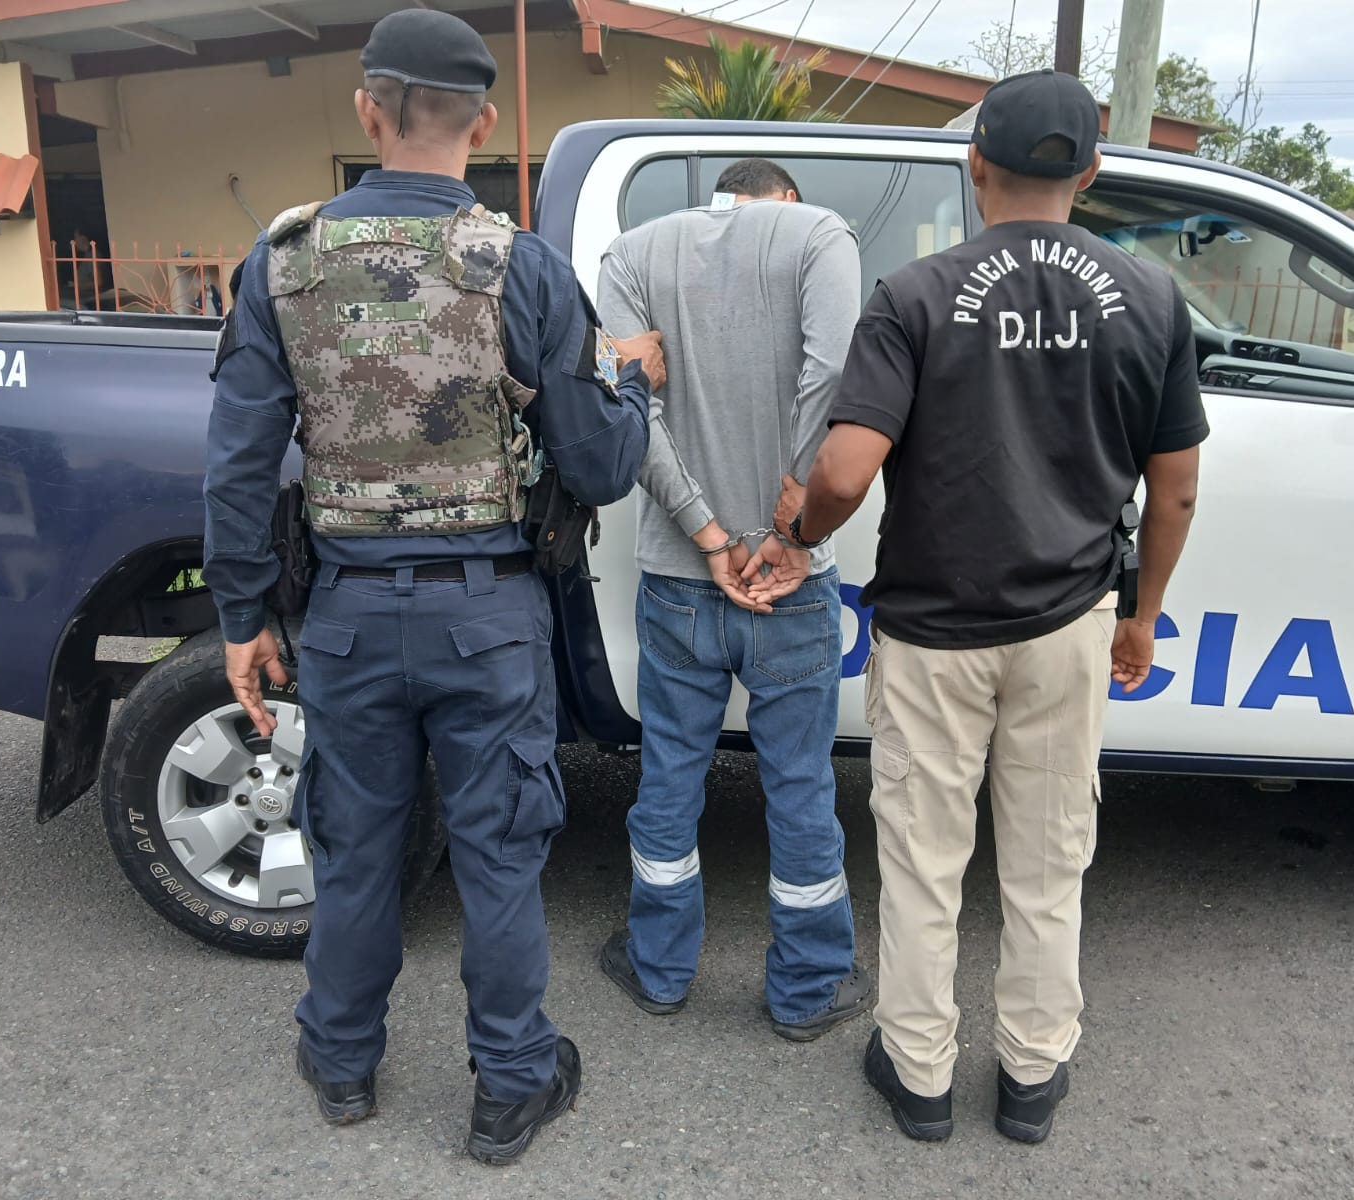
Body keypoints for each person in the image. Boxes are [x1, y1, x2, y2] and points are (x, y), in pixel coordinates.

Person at [201, 8, 664, 1166]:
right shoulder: (522, 266)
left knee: (354, 849)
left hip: (348, 619)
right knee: (500, 856)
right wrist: (635, 393)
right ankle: (510, 1086)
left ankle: (340, 1063)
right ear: (486, 121)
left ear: (368, 110)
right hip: (488, 617)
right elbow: (602, 465)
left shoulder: (285, 260)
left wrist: (241, 618)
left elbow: (238, 465)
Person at [793, 70, 1207, 1143]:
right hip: (1068, 622)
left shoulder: (914, 293)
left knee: (923, 864)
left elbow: (843, 471)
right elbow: (1175, 489)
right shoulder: (1152, 298)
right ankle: (1030, 1076)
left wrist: (795, 536)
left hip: (933, 631)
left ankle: (919, 1076)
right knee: (1047, 861)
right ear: (1091, 171)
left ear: (974, 163)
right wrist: (1142, 614)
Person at [595, 158, 871, 1040]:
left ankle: (658, 968)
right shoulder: (819, 235)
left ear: (720, 195)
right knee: (800, 785)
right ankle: (807, 989)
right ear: (785, 196)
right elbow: (835, 373)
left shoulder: (631, 255)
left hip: (681, 576)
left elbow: (628, 407)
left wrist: (708, 532)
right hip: (793, 578)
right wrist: (790, 524)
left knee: (669, 776)